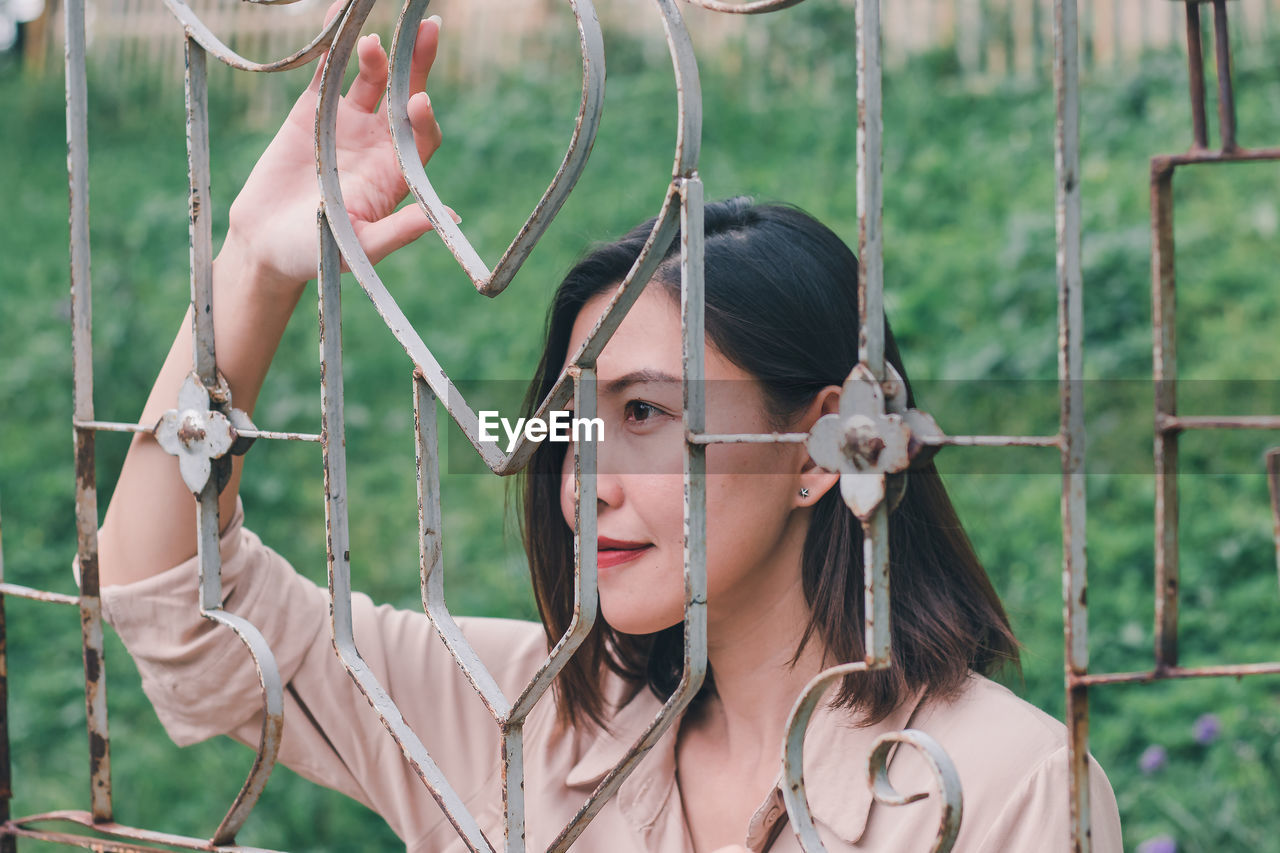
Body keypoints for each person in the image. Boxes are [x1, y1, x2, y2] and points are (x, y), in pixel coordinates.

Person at [95, 12, 1123, 853]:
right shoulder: (519, 717)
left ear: (822, 447)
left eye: (644, 414)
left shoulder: (1003, 786)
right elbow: (180, 603)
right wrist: (251, 268)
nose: (583, 480)